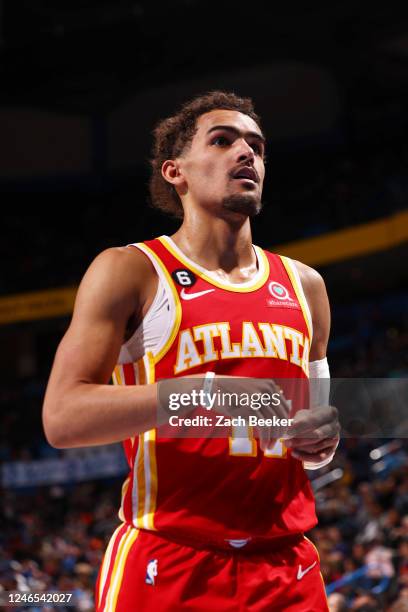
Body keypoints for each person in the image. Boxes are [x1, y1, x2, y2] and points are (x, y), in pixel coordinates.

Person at [43, 91, 340, 611]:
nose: (246, 153)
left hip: (286, 565)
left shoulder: (305, 285)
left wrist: (323, 439)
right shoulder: (130, 269)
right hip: (170, 561)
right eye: (222, 141)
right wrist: (198, 393)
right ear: (174, 171)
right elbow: (63, 418)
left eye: (256, 146)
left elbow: (313, 433)